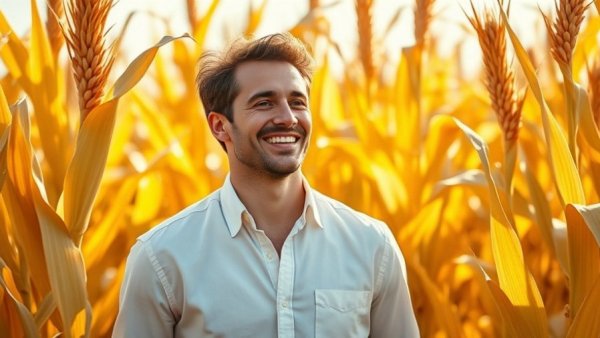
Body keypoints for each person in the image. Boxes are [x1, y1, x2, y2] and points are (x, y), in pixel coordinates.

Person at [112, 32, 419, 338]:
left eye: (297, 102)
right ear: (220, 126)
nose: (288, 118)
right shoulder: (162, 258)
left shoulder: (372, 246)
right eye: (264, 103)